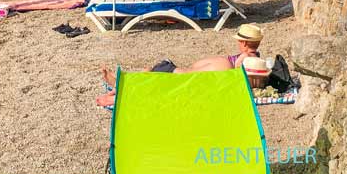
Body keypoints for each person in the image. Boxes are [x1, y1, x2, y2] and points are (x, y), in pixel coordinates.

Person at [96, 25, 264, 106]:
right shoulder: (253, 58)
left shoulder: (245, 59)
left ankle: (118, 91)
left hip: (178, 76)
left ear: (243, 42)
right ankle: (119, 86)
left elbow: (242, 79)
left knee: (150, 83)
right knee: (148, 75)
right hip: (179, 73)